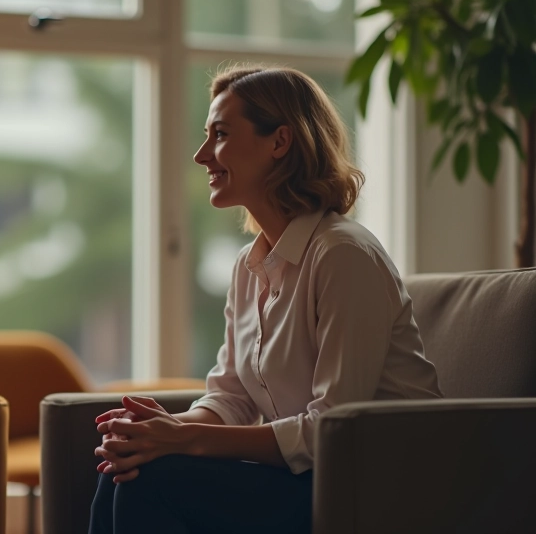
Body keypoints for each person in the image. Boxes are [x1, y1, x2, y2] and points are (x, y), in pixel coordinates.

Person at [88, 66, 443, 534]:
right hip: (308, 477)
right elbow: (232, 398)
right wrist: (162, 431)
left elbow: (332, 431)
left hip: (376, 487)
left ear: (280, 141)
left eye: (220, 134)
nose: (201, 155)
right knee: (128, 466)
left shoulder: (344, 255)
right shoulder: (248, 266)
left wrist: (184, 438)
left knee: (150, 478)